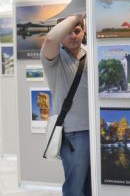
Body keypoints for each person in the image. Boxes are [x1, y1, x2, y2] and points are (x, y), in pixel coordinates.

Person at [41, 14, 91, 196]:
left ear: (84, 31)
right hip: (74, 134)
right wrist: (78, 14)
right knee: (75, 189)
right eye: (68, 32)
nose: (73, 36)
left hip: (97, 131)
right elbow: (50, 38)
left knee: (93, 188)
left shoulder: (91, 54)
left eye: (77, 31)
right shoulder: (54, 57)